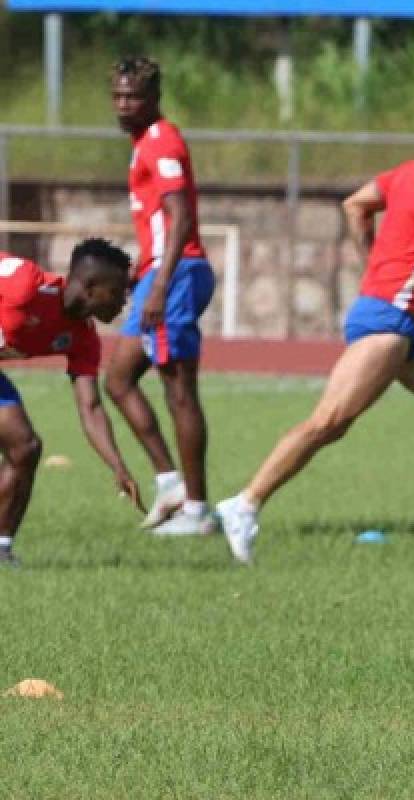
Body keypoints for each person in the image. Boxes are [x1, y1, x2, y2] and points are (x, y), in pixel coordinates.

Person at [215, 88, 414, 566]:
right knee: (328, 423)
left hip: (402, 321)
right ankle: (244, 503)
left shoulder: (408, 172)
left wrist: (373, 263)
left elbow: (355, 204)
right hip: (387, 322)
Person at [107, 56, 217, 536]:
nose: (123, 104)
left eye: (133, 96)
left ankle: (196, 511)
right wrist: (142, 268)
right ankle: (171, 483)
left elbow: (180, 218)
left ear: (154, 99)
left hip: (176, 276)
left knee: (179, 391)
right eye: (118, 96)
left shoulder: (162, 140)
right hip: (158, 274)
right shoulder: (142, 144)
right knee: (118, 378)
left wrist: (162, 282)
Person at [0, 240, 146, 566]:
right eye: (119, 291)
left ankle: (1, 546)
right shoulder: (25, 285)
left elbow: (90, 407)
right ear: (93, 287)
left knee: (25, 447)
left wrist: (117, 467)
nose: (125, 301)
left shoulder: (83, 337)